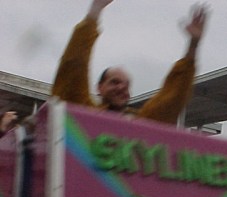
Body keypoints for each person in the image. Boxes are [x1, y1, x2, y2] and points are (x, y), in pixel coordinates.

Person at [52, 0, 208, 125]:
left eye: (126, 85)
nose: (121, 88)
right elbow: (72, 69)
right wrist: (95, 9)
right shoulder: (84, 113)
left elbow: (173, 98)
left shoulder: (141, 123)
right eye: (114, 82)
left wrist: (193, 44)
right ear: (99, 88)